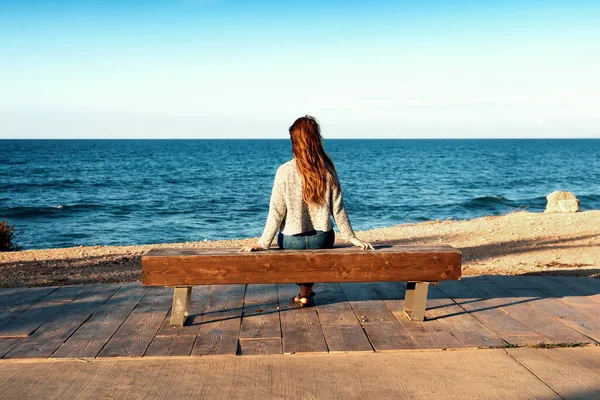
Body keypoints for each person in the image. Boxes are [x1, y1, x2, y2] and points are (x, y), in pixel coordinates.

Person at [240, 115, 374, 306]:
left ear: (295, 142)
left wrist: (263, 243)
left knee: (296, 249)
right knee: (314, 248)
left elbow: (276, 212)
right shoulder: (327, 169)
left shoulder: (284, 171)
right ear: (315, 140)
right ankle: (304, 294)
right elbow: (338, 208)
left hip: (290, 241)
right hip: (322, 239)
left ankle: (304, 294)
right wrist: (352, 238)